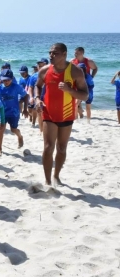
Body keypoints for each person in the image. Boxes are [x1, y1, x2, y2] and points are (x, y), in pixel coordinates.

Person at [34, 43, 89, 186]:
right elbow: (37, 86)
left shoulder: (76, 72)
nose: (51, 55)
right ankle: (47, 181)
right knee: (48, 147)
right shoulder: (45, 70)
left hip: (66, 114)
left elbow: (85, 95)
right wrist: (37, 99)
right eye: (50, 52)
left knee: (61, 148)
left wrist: (69, 90)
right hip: (48, 114)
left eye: (55, 53)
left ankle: (56, 175)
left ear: (64, 54)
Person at [0, 69, 29, 155]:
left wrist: (25, 109)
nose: (6, 81)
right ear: (1, 79)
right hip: (3, 112)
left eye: (8, 79)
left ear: (12, 78)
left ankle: (20, 136)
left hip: (14, 112)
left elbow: (26, 96)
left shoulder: (16, 87)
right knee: (0, 129)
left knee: (13, 129)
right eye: (4, 80)